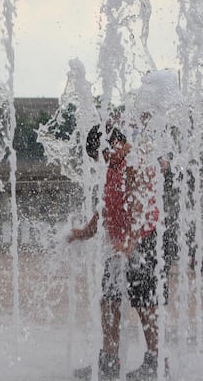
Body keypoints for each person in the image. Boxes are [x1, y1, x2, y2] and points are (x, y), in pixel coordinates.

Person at [68, 125, 167, 381]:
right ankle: (109, 362)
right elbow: (105, 207)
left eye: (101, 155)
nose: (102, 161)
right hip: (120, 245)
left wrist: (131, 241)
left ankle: (155, 362)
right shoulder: (113, 167)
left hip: (143, 242)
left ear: (114, 144)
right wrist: (84, 232)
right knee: (109, 303)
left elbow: (138, 204)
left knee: (145, 305)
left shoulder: (133, 162)